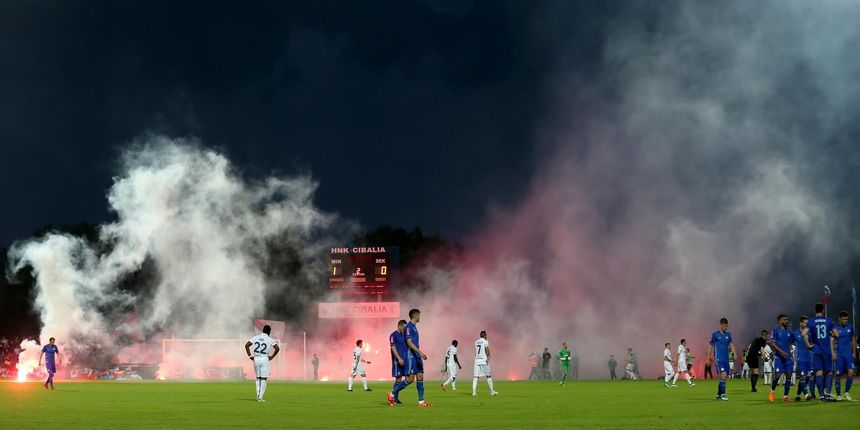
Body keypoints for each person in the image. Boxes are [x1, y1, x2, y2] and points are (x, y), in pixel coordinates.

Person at [810, 302, 839, 401]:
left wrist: (808, 345)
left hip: (817, 350)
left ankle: (821, 396)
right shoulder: (829, 320)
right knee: (829, 372)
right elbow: (837, 334)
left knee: (819, 372)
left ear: (815, 310)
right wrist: (832, 336)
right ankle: (828, 393)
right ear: (823, 310)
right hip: (827, 350)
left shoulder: (811, 321)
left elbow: (804, 333)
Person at [244, 324, 280, 402]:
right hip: (264, 359)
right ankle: (260, 397)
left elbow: (246, 345)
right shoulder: (270, 340)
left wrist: (250, 356)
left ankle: (257, 395)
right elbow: (277, 348)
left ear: (263, 330)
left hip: (256, 358)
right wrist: (272, 357)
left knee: (258, 378)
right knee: (263, 378)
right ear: (269, 331)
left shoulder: (255, 337)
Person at [403, 309, 431, 406]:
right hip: (411, 356)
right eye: (419, 315)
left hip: (417, 356)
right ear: (415, 316)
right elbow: (409, 342)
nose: (420, 317)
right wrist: (420, 352)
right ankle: (392, 394)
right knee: (410, 379)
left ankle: (421, 401)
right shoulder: (408, 327)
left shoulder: (414, 327)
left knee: (420, 376)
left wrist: (419, 354)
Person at [767, 314, 796, 402]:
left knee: (789, 375)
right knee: (777, 375)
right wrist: (781, 351)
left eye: (787, 319)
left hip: (787, 357)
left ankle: (785, 396)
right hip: (779, 357)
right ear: (779, 321)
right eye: (784, 319)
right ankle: (772, 392)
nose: (787, 321)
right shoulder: (776, 331)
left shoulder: (790, 332)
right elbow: (772, 343)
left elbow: (793, 340)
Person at [707, 317, 736, 401]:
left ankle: (718, 395)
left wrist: (735, 354)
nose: (726, 328)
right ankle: (723, 395)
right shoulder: (715, 335)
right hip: (718, 358)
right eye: (724, 326)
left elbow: (731, 345)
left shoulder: (728, 335)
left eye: (727, 326)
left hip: (726, 359)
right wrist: (708, 358)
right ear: (720, 325)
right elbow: (710, 346)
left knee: (725, 377)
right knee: (723, 375)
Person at [834, 311, 856, 401]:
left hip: (848, 355)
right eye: (844, 319)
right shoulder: (835, 327)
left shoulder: (850, 327)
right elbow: (831, 340)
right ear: (839, 319)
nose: (846, 321)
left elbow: (853, 339)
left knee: (851, 373)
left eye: (847, 319)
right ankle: (838, 395)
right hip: (839, 355)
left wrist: (854, 352)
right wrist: (833, 352)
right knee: (838, 375)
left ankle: (846, 392)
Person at [387, 319, 408, 406]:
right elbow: (393, 348)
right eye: (404, 327)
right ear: (399, 326)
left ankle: (394, 397)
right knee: (398, 378)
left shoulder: (404, 335)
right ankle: (394, 397)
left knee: (404, 378)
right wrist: (399, 358)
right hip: (397, 361)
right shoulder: (393, 335)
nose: (405, 329)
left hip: (405, 360)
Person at [793, 316, 814, 401]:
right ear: (800, 323)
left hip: (809, 358)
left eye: (807, 323)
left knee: (807, 378)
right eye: (804, 323)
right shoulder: (795, 333)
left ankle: (798, 395)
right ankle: (806, 395)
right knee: (803, 376)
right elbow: (789, 341)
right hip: (800, 357)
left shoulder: (810, 333)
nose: (806, 324)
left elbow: (813, 343)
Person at [472, 330, 498, 396]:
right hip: (483, 360)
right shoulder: (485, 341)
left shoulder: (476, 342)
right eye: (486, 335)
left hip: (477, 360)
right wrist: (489, 356)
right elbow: (487, 349)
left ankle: (474, 392)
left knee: (476, 377)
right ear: (485, 335)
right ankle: (492, 391)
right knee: (488, 376)